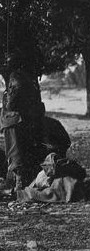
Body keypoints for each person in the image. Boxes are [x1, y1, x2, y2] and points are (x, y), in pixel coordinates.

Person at [2, 52, 46, 195]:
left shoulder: (15, 78)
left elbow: (10, 104)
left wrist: (6, 98)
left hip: (14, 120)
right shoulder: (28, 78)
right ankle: (21, 183)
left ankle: (19, 185)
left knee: (15, 153)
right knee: (23, 151)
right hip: (27, 120)